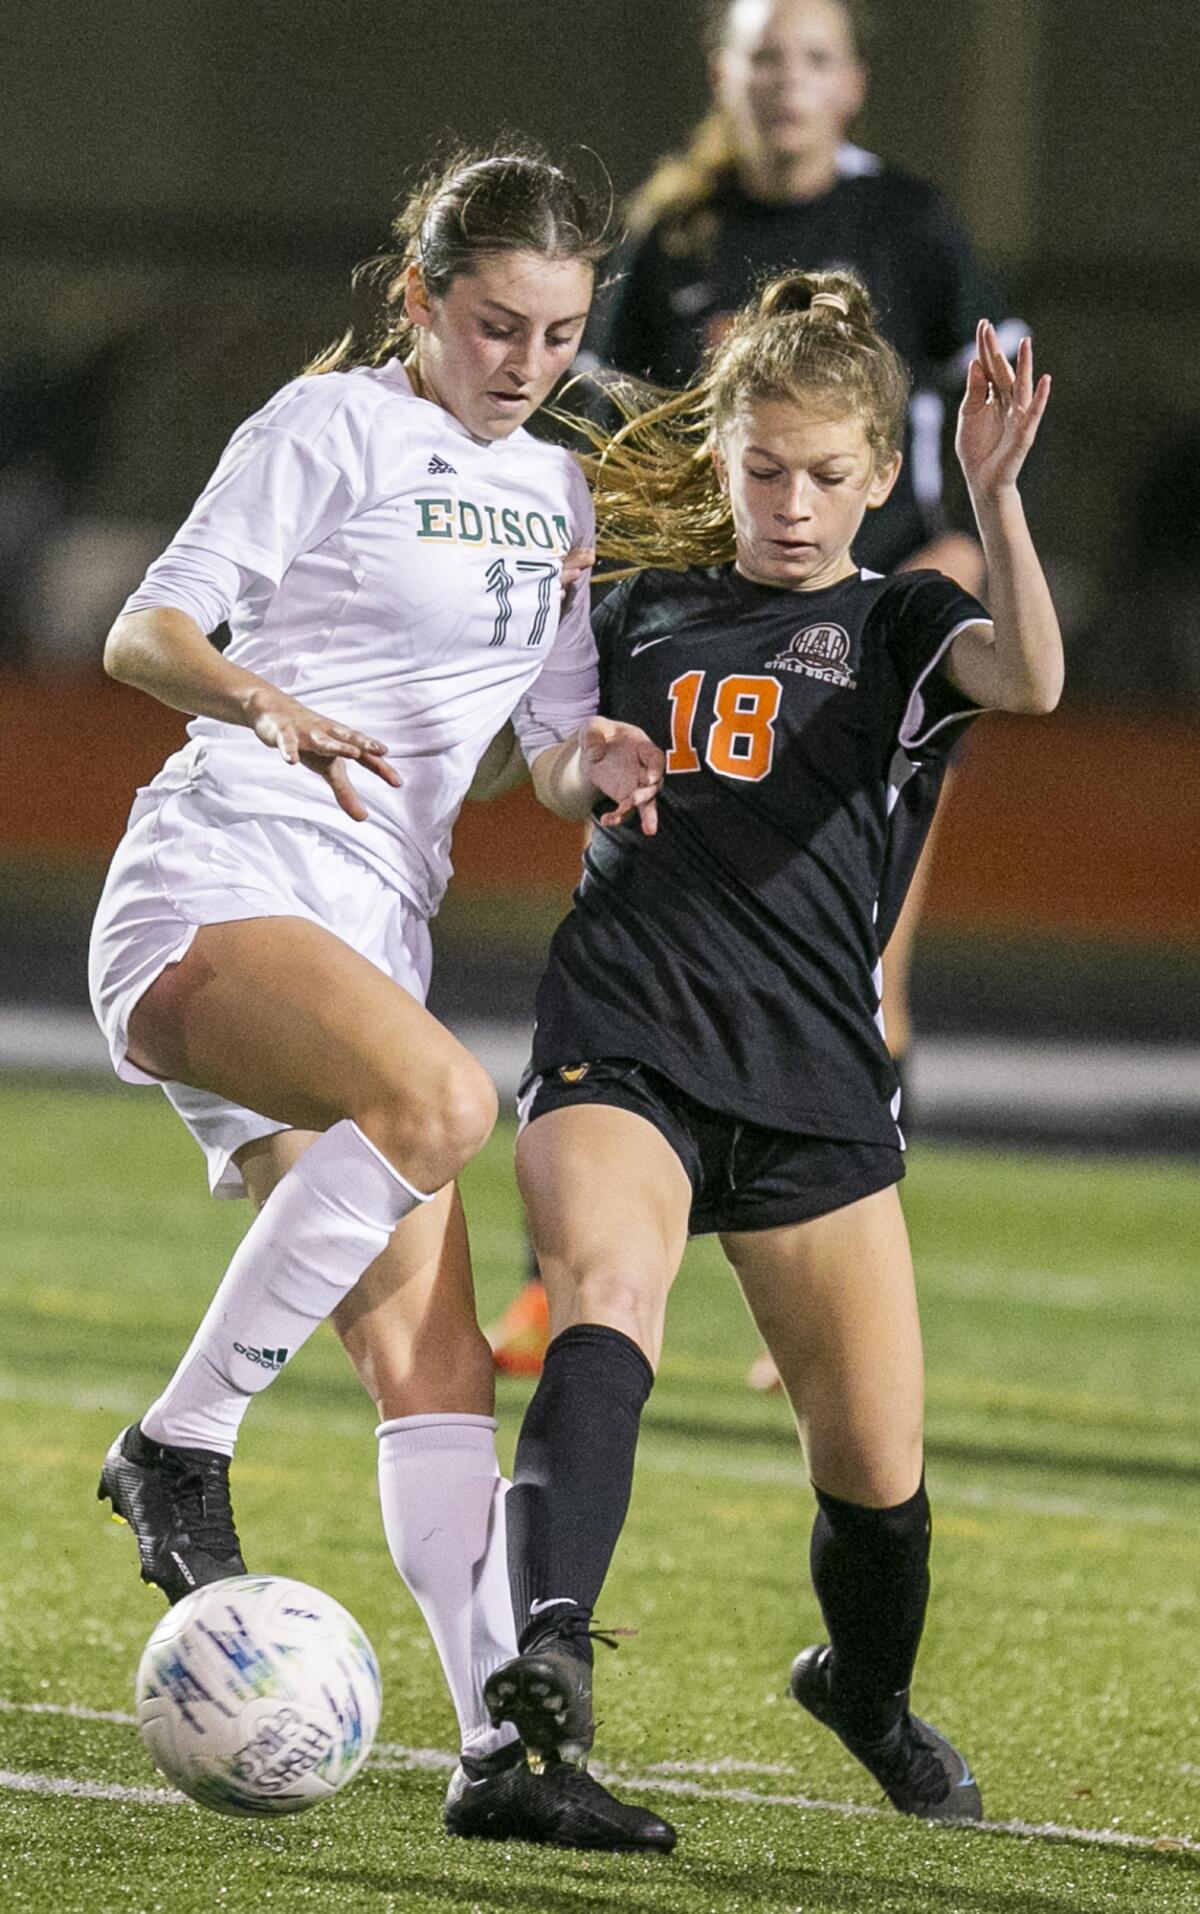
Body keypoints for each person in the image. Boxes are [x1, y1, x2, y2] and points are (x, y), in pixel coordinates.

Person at [88, 146, 674, 1852]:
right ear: (422, 298)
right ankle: (178, 1443)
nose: (529, 361)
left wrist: (593, 761)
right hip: (224, 875)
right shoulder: (323, 426)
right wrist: (264, 700)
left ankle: (508, 1752)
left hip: (367, 929)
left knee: (435, 1371)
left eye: (562, 334)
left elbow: (533, 748)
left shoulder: (560, 494)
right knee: (440, 1106)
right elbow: (148, 635)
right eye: (497, 323)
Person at [480, 271, 1060, 1821]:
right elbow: (540, 763)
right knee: (604, 1304)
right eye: (763, 468)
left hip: (809, 1075)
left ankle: (860, 1688)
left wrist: (998, 504)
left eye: (824, 474)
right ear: (724, 457)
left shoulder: (902, 620)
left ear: (878, 475)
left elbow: (1036, 678)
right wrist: (579, 757)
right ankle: (547, 1664)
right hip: (629, 1026)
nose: (791, 503)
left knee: (878, 1476)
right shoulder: (638, 603)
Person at [486, 0, 1003, 1383]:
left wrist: (954, 554)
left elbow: (972, 411)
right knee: (629, 908)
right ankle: (565, 1275)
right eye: (763, 58)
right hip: (708, 636)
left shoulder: (917, 227)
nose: (787, 84)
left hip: (866, 656)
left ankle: (830, 1275)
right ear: (727, 77)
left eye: (813, 59)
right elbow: (607, 426)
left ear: (853, 84)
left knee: (866, 962)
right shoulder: (680, 234)